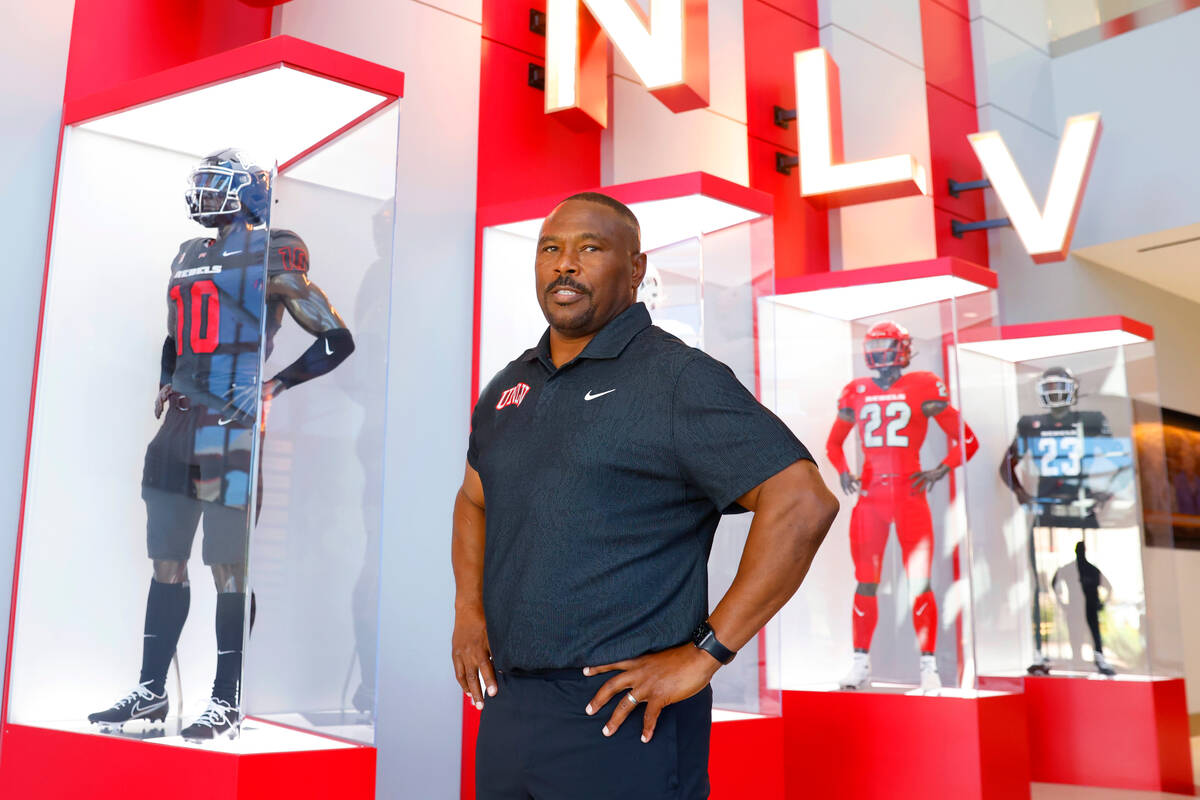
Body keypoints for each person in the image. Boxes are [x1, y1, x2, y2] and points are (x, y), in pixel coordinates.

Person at [452, 192, 838, 799]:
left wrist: (706, 654)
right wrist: (468, 612)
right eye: (550, 249)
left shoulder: (677, 377)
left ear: (635, 269)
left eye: (589, 248)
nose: (565, 264)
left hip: (623, 713)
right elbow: (475, 499)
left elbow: (803, 501)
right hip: (510, 704)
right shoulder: (511, 384)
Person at [88, 149, 355, 741]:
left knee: (229, 567)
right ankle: (151, 692)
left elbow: (336, 338)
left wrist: (274, 387)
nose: (205, 192)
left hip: (228, 428)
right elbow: (174, 337)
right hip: (177, 427)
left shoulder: (274, 250)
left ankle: (226, 698)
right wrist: (166, 379)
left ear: (248, 194)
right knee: (166, 562)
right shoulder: (188, 253)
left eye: (217, 183)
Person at [825, 320, 978, 692]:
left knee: (919, 581)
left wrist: (940, 469)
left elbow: (967, 439)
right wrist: (843, 471)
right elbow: (833, 444)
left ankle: (929, 667)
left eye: (885, 346)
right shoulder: (856, 390)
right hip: (872, 498)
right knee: (866, 581)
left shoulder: (922, 384)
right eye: (876, 347)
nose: (880, 354)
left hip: (907, 496)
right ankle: (860, 662)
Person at [999, 366, 1114, 675]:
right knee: (1042, 588)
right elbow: (1006, 465)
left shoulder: (1090, 420)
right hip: (1048, 514)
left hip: (1081, 511)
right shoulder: (1031, 424)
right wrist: (1022, 494)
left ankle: (1099, 652)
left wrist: (1103, 491)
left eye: (1058, 386)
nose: (1054, 392)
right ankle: (1042, 653)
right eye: (1048, 386)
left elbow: (1116, 460)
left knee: (1088, 587)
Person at [1052, 541, 1116, 675]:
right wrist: (1062, 603)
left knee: (1093, 636)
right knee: (1076, 636)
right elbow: (1054, 583)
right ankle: (1079, 660)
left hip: (1090, 609)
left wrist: (1102, 604)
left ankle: (1098, 660)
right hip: (1076, 609)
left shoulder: (1091, 570)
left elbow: (1108, 587)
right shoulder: (1070, 569)